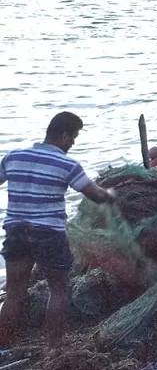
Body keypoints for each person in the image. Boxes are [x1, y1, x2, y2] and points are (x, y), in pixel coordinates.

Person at [0, 112, 116, 348]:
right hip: (48, 236)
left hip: (16, 232)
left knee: (14, 294)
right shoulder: (67, 164)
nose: (72, 144)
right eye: (73, 138)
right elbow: (96, 195)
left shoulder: (13, 156)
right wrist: (112, 195)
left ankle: (3, 346)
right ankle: (54, 349)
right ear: (64, 134)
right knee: (59, 290)